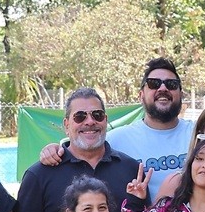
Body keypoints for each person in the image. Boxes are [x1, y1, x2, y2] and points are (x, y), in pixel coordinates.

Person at [39, 59, 196, 202]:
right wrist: (54, 150)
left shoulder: (198, 134)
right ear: (141, 95)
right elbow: (82, 147)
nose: (163, 88)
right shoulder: (118, 139)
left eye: (171, 84)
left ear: (181, 94)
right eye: (154, 83)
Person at [16, 87, 142, 212]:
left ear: (105, 120)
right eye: (80, 117)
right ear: (66, 125)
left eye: (97, 115)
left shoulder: (130, 169)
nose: (90, 122)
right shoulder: (39, 175)